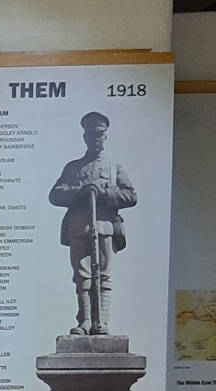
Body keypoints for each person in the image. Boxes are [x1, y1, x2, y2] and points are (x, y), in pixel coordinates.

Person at [49, 110, 139, 335]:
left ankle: (102, 322)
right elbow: (55, 195)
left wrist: (104, 193)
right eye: (91, 136)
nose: (96, 140)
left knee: (104, 276)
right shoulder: (73, 168)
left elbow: (131, 196)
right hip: (79, 228)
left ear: (105, 137)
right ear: (85, 138)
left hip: (105, 227)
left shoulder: (114, 167)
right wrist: (80, 192)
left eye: (99, 135)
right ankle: (85, 321)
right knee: (82, 277)